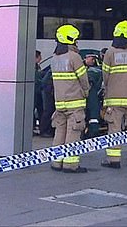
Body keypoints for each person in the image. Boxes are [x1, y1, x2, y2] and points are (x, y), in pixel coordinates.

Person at [100, 20, 127, 169]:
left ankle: (114, 160)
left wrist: (109, 87)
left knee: (114, 129)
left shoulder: (110, 53)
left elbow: (105, 75)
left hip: (114, 99)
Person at [50, 24, 90, 173]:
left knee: (59, 133)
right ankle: (70, 164)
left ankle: (56, 161)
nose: (76, 42)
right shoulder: (74, 56)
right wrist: (86, 92)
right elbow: (83, 79)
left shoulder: (55, 58)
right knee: (73, 133)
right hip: (75, 103)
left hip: (60, 103)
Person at [84, 53, 102, 138]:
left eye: (89, 58)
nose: (86, 60)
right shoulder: (90, 69)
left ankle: (92, 132)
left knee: (93, 114)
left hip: (92, 96)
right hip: (91, 95)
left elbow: (90, 79)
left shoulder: (94, 70)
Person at [33, 50, 44, 135]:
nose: (41, 58)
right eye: (40, 57)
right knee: (33, 109)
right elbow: (37, 79)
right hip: (35, 91)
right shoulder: (33, 67)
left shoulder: (37, 66)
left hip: (38, 91)